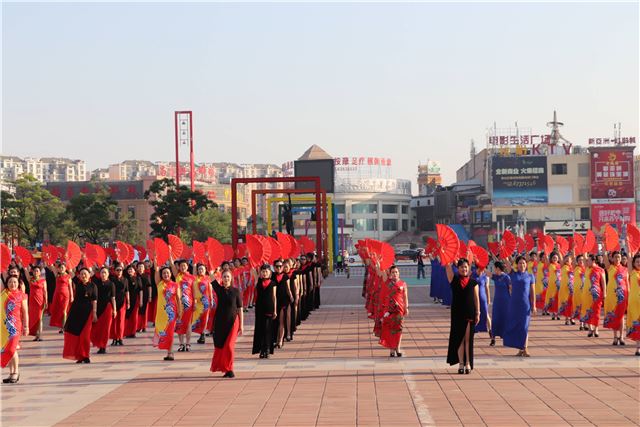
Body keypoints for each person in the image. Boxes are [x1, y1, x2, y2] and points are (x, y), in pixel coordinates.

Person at [446, 258, 479, 374]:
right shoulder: (454, 279)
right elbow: (448, 267)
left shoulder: (473, 282)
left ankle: (468, 363)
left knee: (468, 339)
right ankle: (461, 363)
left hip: (470, 313)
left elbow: (476, 299)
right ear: (458, 268)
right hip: (457, 313)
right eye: (461, 267)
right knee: (459, 339)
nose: (464, 269)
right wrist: (445, 256)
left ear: (468, 268)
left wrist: (478, 312)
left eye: (465, 267)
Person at [210, 270, 244, 378]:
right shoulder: (219, 290)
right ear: (222, 278)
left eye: (228, 276)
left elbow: (240, 308)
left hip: (233, 322)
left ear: (231, 278)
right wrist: (211, 266)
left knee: (229, 346)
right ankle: (226, 369)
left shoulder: (236, 291)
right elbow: (211, 277)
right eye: (224, 276)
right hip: (220, 322)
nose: (226, 278)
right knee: (222, 345)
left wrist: (241, 325)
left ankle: (230, 368)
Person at [63, 268, 97, 364]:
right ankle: (79, 356)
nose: (83, 275)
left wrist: (94, 313)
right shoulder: (77, 283)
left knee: (85, 336)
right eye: (81, 274)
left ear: (89, 275)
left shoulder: (93, 286)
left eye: (85, 273)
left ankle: (86, 355)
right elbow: (70, 272)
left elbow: (94, 300)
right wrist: (68, 264)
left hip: (87, 313)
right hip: (76, 313)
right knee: (76, 335)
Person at [503, 256, 536, 356]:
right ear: (517, 265)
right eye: (520, 263)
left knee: (524, 326)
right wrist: (504, 253)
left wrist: (534, 305)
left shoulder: (530, 276)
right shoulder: (513, 274)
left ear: (526, 264)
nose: (522, 265)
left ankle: (525, 348)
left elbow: (533, 292)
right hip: (514, 304)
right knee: (516, 326)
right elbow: (507, 262)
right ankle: (520, 349)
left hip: (525, 305)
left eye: (524, 263)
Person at [1, 276, 28, 383]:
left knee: (12, 349)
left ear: (18, 283)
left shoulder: (22, 295)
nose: (13, 284)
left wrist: (26, 326)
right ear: (7, 284)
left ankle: (16, 372)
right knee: (9, 349)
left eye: (15, 282)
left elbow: (25, 312)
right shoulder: (4, 294)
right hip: (4, 327)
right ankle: (11, 373)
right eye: (10, 282)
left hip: (15, 327)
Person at [153, 266, 182, 361]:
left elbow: (178, 299)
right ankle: (168, 351)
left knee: (170, 333)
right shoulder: (159, 284)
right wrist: (156, 262)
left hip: (171, 313)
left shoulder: (175, 285)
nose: (166, 274)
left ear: (170, 274)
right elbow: (156, 270)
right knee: (161, 330)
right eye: (164, 273)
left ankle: (170, 352)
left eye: (167, 273)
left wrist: (179, 311)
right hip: (161, 313)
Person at [379, 265, 409, 357]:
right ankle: (392, 349)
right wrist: (380, 262)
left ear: (399, 273)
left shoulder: (403, 283)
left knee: (399, 328)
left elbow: (405, 297)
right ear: (390, 274)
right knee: (390, 329)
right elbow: (382, 271)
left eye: (396, 272)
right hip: (389, 309)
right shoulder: (388, 282)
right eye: (393, 272)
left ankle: (398, 348)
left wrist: (406, 307)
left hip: (399, 309)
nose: (395, 274)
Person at [603, 251, 629, 345]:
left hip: (622, 296)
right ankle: (615, 337)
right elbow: (605, 257)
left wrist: (629, 295)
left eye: (619, 257)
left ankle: (621, 337)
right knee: (614, 316)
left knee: (621, 316)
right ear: (612, 258)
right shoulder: (610, 268)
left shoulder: (625, 269)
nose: (617, 259)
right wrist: (604, 246)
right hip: (612, 296)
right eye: (616, 257)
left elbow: (627, 283)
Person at [253, 265, 277, 359]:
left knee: (267, 329)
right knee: (260, 329)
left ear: (270, 273)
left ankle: (267, 349)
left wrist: (275, 310)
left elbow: (274, 297)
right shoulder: (258, 281)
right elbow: (253, 271)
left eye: (266, 271)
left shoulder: (273, 283)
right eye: (263, 271)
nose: (264, 273)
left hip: (269, 308)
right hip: (259, 308)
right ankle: (261, 350)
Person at [90, 267, 116, 354]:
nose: (103, 274)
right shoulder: (96, 283)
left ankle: (103, 346)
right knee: (97, 328)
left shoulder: (111, 284)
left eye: (105, 272)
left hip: (108, 308)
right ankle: (99, 344)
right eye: (102, 272)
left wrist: (115, 309)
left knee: (105, 329)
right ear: (99, 274)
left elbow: (113, 298)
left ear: (108, 274)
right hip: (98, 307)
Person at [172, 259, 195, 352]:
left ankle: (188, 343)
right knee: (179, 323)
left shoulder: (192, 277)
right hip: (179, 303)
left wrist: (195, 302)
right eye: (181, 266)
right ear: (179, 267)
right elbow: (172, 265)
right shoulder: (177, 276)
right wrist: (170, 255)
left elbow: (194, 290)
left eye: (184, 266)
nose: (183, 267)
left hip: (189, 304)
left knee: (188, 324)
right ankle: (181, 344)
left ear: (187, 267)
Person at [581, 255, 606, 337]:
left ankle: (596, 329)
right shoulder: (587, 268)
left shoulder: (600, 270)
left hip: (596, 294)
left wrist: (604, 292)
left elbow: (603, 282)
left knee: (596, 311)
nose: (587, 262)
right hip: (586, 293)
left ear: (593, 261)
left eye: (588, 260)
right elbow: (584, 256)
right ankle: (590, 329)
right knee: (587, 310)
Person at [49, 262, 74, 333]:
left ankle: (64, 327)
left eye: (63, 267)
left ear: (65, 268)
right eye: (60, 268)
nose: (61, 269)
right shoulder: (57, 275)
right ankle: (61, 327)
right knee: (59, 311)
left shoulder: (68, 276)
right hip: (57, 295)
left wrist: (72, 296)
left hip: (65, 295)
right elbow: (52, 266)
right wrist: (49, 259)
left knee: (64, 311)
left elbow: (70, 287)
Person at [274, 260, 293, 348]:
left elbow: (288, 289)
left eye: (280, 266)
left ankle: (281, 340)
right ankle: (276, 339)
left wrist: (292, 297)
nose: (279, 268)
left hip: (284, 301)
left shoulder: (286, 277)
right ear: (274, 267)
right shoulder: (272, 276)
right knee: (275, 322)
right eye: (277, 266)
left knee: (281, 321)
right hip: (274, 301)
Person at [25, 263, 47, 341]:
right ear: (33, 272)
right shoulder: (30, 280)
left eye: (37, 271)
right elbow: (26, 272)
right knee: (34, 318)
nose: (36, 272)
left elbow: (45, 291)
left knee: (40, 318)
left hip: (40, 301)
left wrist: (46, 301)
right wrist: (24, 265)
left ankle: (40, 335)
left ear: (40, 272)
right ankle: (36, 335)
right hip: (32, 302)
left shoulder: (43, 281)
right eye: (34, 271)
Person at [490, 261, 511, 343]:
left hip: (506, 301)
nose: (494, 269)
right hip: (497, 301)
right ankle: (493, 338)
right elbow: (486, 272)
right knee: (495, 318)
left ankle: (505, 336)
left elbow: (511, 289)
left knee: (505, 318)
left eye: (494, 268)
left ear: (497, 268)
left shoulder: (507, 277)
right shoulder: (495, 277)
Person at [193, 263, 213, 344]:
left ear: (205, 270)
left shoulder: (208, 278)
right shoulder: (195, 279)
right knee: (199, 318)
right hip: (198, 302)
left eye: (202, 269)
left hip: (205, 302)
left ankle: (202, 334)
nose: (200, 270)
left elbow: (210, 290)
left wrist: (211, 300)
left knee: (205, 318)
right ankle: (201, 333)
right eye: (199, 269)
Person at [472, 264, 493, 345]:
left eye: (483, 269)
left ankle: (491, 333)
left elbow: (487, 288)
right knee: (473, 315)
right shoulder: (472, 274)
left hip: (483, 297)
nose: (482, 270)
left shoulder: (485, 276)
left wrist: (488, 299)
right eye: (480, 269)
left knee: (486, 315)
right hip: (474, 298)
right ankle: (472, 333)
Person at [110, 263, 129, 346]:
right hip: (113, 301)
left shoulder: (125, 280)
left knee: (121, 321)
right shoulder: (112, 280)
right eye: (117, 270)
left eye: (120, 270)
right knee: (114, 321)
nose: (119, 271)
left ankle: (120, 338)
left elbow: (127, 291)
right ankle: (114, 338)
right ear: (114, 271)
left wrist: (128, 301)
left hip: (122, 301)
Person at [626, 253, 640, 356]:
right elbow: (629, 258)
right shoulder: (632, 272)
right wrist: (628, 247)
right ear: (634, 263)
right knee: (637, 324)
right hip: (634, 303)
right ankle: (638, 347)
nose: (639, 263)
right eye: (637, 262)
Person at [123, 264, 141, 339]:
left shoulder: (137, 278)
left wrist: (141, 300)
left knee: (134, 316)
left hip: (135, 299)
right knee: (127, 316)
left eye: (131, 269)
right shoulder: (125, 278)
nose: (130, 270)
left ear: (134, 271)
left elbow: (140, 290)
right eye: (129, 269)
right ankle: (126, 332)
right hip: (126, 299)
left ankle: (133, 332)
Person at [558, 254, 575, 325]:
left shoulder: (573, 267)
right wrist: (559, 251)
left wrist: (573, 253)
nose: (567, 260)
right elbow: (560, 258)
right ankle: (567, 318)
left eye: (569, 259)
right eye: (566, 259)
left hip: (571, 288)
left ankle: (572, 318)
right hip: (564, 288)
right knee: (566, 303)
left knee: (572, 303)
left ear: (571, 260)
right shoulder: (563, 266)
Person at [544, 252, 561, 320]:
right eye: (553, 257)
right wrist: (546, 251)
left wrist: (559, 251)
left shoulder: (560, 265)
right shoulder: (550, 265)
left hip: (558, 285)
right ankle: (553, 313)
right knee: (552, 299)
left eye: (556, 258)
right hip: (551, 285)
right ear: (551, 259)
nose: (555, 259)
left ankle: (558, 313)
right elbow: (546, 258)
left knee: (558, 299)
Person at [136, 262, 152, 333]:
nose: (140, 268)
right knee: (138, 312)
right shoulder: (135, 276)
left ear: (144, 268)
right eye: (139, 267)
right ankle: (138, 326)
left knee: (144, 311)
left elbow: (149, 286)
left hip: (145, 295)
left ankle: (144, 326)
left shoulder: (146, 276)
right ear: (137, 268)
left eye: (142, 267)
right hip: (137, 295)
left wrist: (150, 296)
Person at [573, 255, 587, 330]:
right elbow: (573, 258)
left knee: (585, 307)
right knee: (580, 307)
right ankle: (581, 324)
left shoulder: (587, 268)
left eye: (582, 260)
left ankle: (585, 323)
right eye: (579, 260)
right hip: (578, 291)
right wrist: (573, 252)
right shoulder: (575, 268)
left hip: (585, 291)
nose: (581, 261)